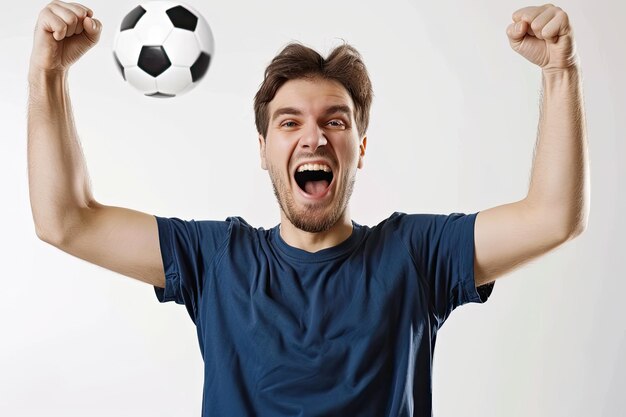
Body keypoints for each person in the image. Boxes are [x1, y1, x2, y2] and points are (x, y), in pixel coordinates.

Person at [27, 1, 589, 416]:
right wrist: (47, 74)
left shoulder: (416, 255)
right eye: (289, 122)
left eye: (335, 121)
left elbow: (553, 217)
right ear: (265, 150)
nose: (313, 137)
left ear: (360, 149)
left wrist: (559, 71)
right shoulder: (215, 259)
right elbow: (65, 220)